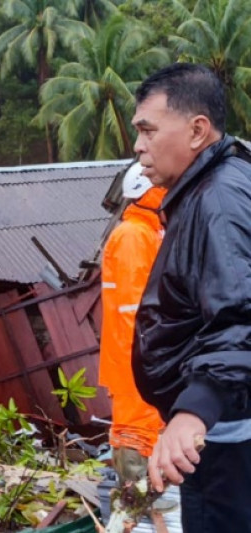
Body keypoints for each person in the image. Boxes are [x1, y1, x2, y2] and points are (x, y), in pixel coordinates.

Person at [131, 63, 251, 528]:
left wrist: (195, 410)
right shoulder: (211, 187)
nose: (138, 146)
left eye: (148, 130)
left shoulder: (218, 200)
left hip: (225, 438)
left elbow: (240, 313)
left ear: (198, 130)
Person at [99, 162, 166, 486]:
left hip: (142, 369)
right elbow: (135, 314)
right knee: (138, 459)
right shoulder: (133, 236)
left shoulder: (147, 231)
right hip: (137, 371)